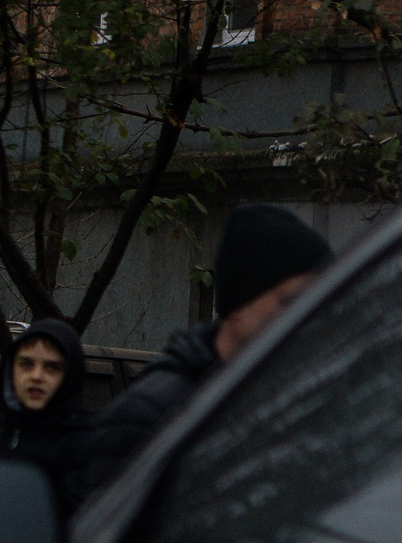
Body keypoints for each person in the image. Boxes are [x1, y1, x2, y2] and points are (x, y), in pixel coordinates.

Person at [82, 204, 333, 496]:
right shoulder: (150, 418)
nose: (308, 316)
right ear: (239, 304)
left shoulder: (298, 405)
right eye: (290, 301)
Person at [0, 318, 98, 514]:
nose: (37, 376)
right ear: (11, 371)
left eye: (52, 367)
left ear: (70, 376)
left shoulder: (86, 449)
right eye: (26, 364)